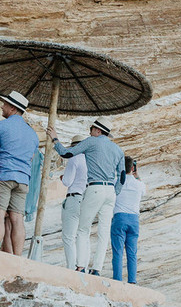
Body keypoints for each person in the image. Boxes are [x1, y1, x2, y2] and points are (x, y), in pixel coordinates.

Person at [47, 117, 125, 276]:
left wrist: (55, 138)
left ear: (97, 130)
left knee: (83, 229)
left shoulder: (92, 141)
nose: (90, 132)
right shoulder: (117, 149)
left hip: (95, 187)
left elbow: (67, 153)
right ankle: (96, 269)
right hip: (110, 192)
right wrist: (115, 191)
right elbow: (122, 176)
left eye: (91, 129)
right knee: (104, 232)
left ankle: (81, 266)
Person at [0, 91, 39, 256]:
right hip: (23, 179)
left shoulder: (1, 126)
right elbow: (31, 157)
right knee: (17, 219)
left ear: (12, 108)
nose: (2, 106)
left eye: (4, 104)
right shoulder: (33, 134)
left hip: (3, 174)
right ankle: (18, 258)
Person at [111, 156, 146, 284]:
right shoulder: (139, 184)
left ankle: (117, 280)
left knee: (118, 252)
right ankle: (132, 281)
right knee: (132, 253)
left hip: (119, 217)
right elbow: (144, 191)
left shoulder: (117, 181)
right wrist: (137, 176)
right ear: (132, 168)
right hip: (133, 220)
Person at [60, 134, 87, 270]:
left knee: (69, 236)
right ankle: (82, 265)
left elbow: (67, 181)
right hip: (86, 199)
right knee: (82, 234)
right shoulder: (89, 160)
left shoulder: (74, 158)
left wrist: (62, 177)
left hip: (73, 197)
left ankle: (71, 267)